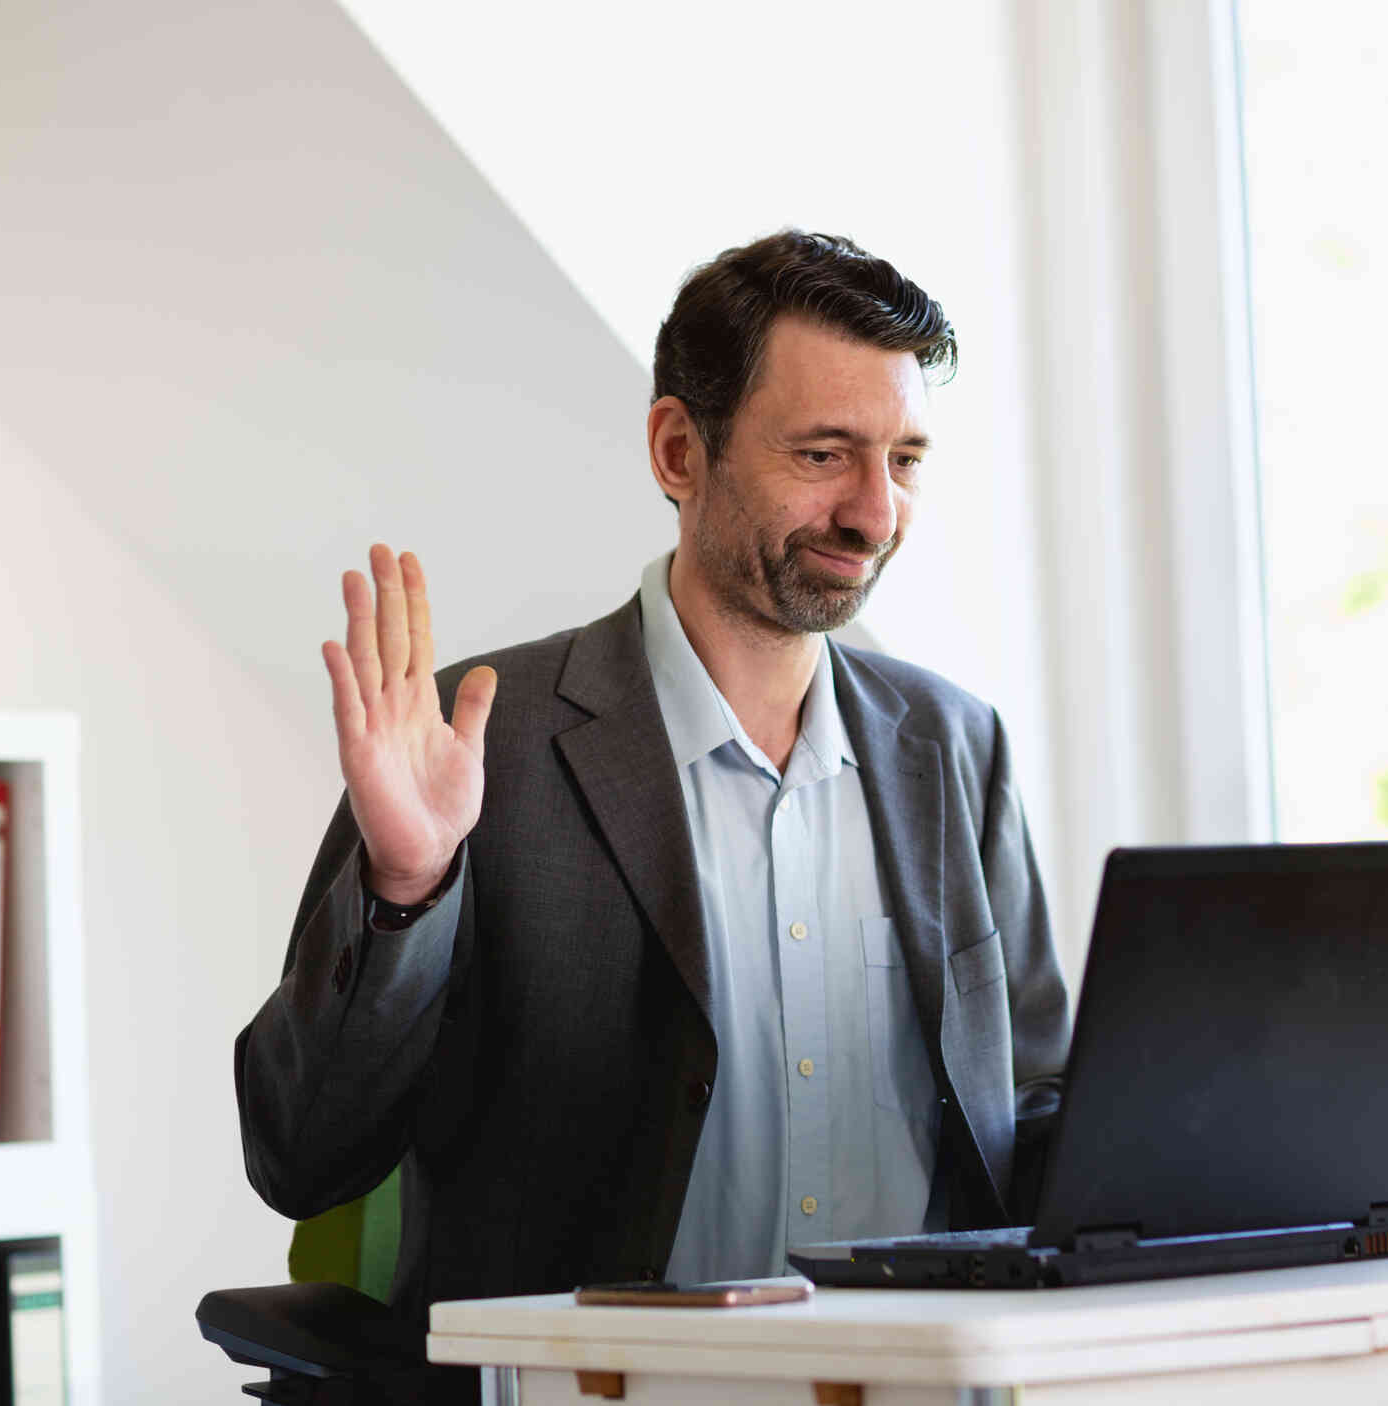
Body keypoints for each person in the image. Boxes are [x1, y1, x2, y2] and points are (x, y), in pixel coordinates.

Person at [234, 229, 1071, 1381]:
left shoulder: (952, 747)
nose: (874, 514)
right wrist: (405, 889)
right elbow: (300, 1152)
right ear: (681, 451)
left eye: (906, 460)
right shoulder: (484, 742)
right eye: (825, 454)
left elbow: (1029, 1104)